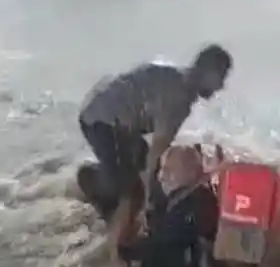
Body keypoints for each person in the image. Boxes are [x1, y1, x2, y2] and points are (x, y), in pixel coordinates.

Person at [77, 44, 233, 230]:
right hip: (101, 121)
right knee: (131, 190)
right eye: (221, 77)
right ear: (207, 72)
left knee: (138, 169)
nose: (221, 86)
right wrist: (148, 204)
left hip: (108, 114)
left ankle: (111, 189)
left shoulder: (174, 76)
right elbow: (155, 155)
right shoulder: (179, 101)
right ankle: (93, 181)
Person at [117, 144, 221, 267]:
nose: (161, 176)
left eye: (167, 170)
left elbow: (160, 243)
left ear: (185, 174)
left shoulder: (189, 207)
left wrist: (125, 250)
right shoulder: (197, 196)